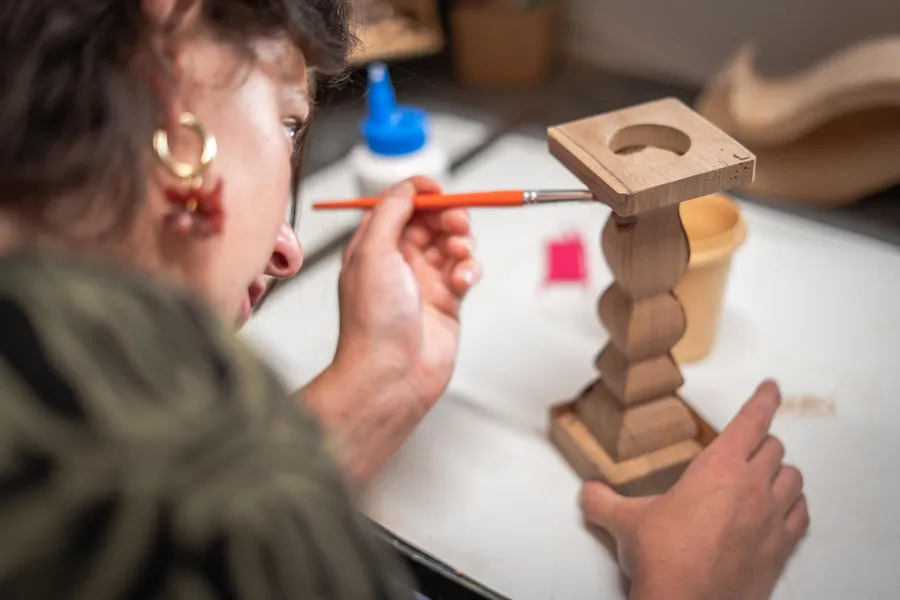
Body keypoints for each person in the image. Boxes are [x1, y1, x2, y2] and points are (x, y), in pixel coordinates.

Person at [0, 0, 808, 598]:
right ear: (171, 38)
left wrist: (378, 384)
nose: (286, 248)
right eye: (289, 122)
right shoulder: (118, 416)